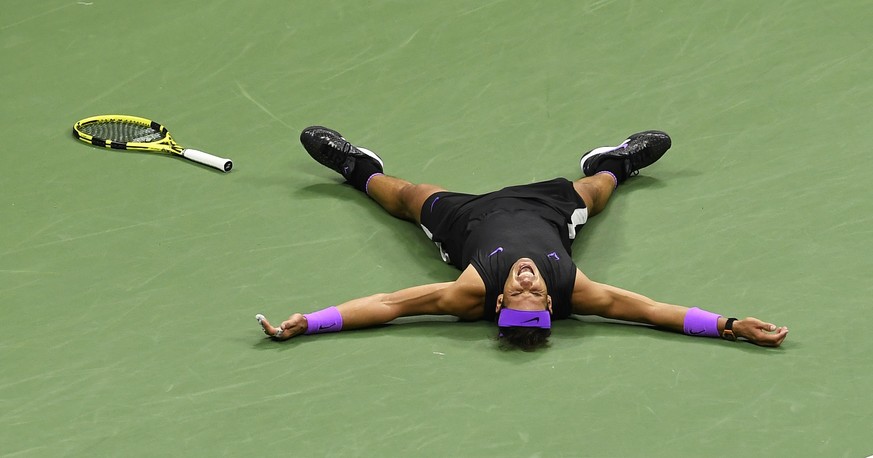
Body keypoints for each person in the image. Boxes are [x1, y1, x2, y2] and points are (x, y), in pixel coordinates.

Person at [255, 126, 789, 350]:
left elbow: (389, 305)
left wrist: (313, 322)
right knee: (595, 193)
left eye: (521, 293)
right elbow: (651, 311)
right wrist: (730, 325)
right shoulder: (573, 287)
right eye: (535, 293)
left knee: (410, 195)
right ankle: (615, 164)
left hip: (468, 222)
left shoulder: (469, 291)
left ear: (501, 301)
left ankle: (355, 168)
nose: (529, 282)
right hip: (546, 211)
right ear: (550, 301)